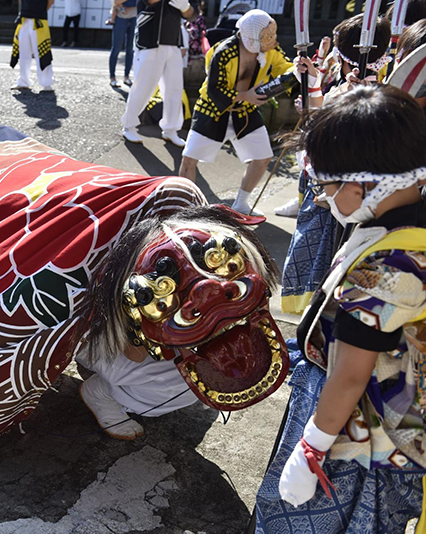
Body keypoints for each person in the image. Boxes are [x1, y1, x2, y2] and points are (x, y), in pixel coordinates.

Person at [255, 84, 426, 533]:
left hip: (357, 433)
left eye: (327, 186)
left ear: (364, 184)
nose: (320, 198)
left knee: (306, 519)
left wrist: (312, 447)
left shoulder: (383, 271)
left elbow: (350, 375)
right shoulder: (404, 224)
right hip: (388, 416)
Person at [74, 204, 288, 440]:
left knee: (193, 371)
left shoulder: (205, 232)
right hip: (103, 338)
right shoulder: (131, 289)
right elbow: (133, 353)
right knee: (171, 387)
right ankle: (104, 393)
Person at [279, 15, 391, 315]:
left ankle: (315, 325)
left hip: (336, 196)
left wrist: (315, 99)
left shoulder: (360, 96)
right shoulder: (388, 93)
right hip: (353, 199)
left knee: (325, 272)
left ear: (342, 58)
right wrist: (314, 87)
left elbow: (319, 138)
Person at [178, 10, 300, 216]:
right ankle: (185, 206)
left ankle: (241, 202)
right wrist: (244, 95)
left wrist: (297, 70)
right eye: (268, 36)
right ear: (252, 36)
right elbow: (214, 90)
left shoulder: (270, 50)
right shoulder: (223, 52)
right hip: (212, 110)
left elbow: (285, 68)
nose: (273, 40)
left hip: (245, 110)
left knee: (262, 157)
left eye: (273, 34)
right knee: (189, 158)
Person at [121, 0, 194, 146]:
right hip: (150, 43)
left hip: (173, 43)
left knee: (174, 90)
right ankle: (129, 126)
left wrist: (185, 6)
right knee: (142, 88)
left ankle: (171, 129)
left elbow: (191, 14)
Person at [10, 0, 55, 92]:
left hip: (39, 20)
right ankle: (23, 81)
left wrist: (40, 11)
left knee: (41, 52)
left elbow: (51, 1)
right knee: (23, 52)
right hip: (24, 19)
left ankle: (46, 83)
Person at [107, 0, 137, 87]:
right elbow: (116, 2)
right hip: (120, 17)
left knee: (130, 49)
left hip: (134, 18)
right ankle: (112, 77)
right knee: (116, 48)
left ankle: (126, 76)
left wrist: (130, 8)